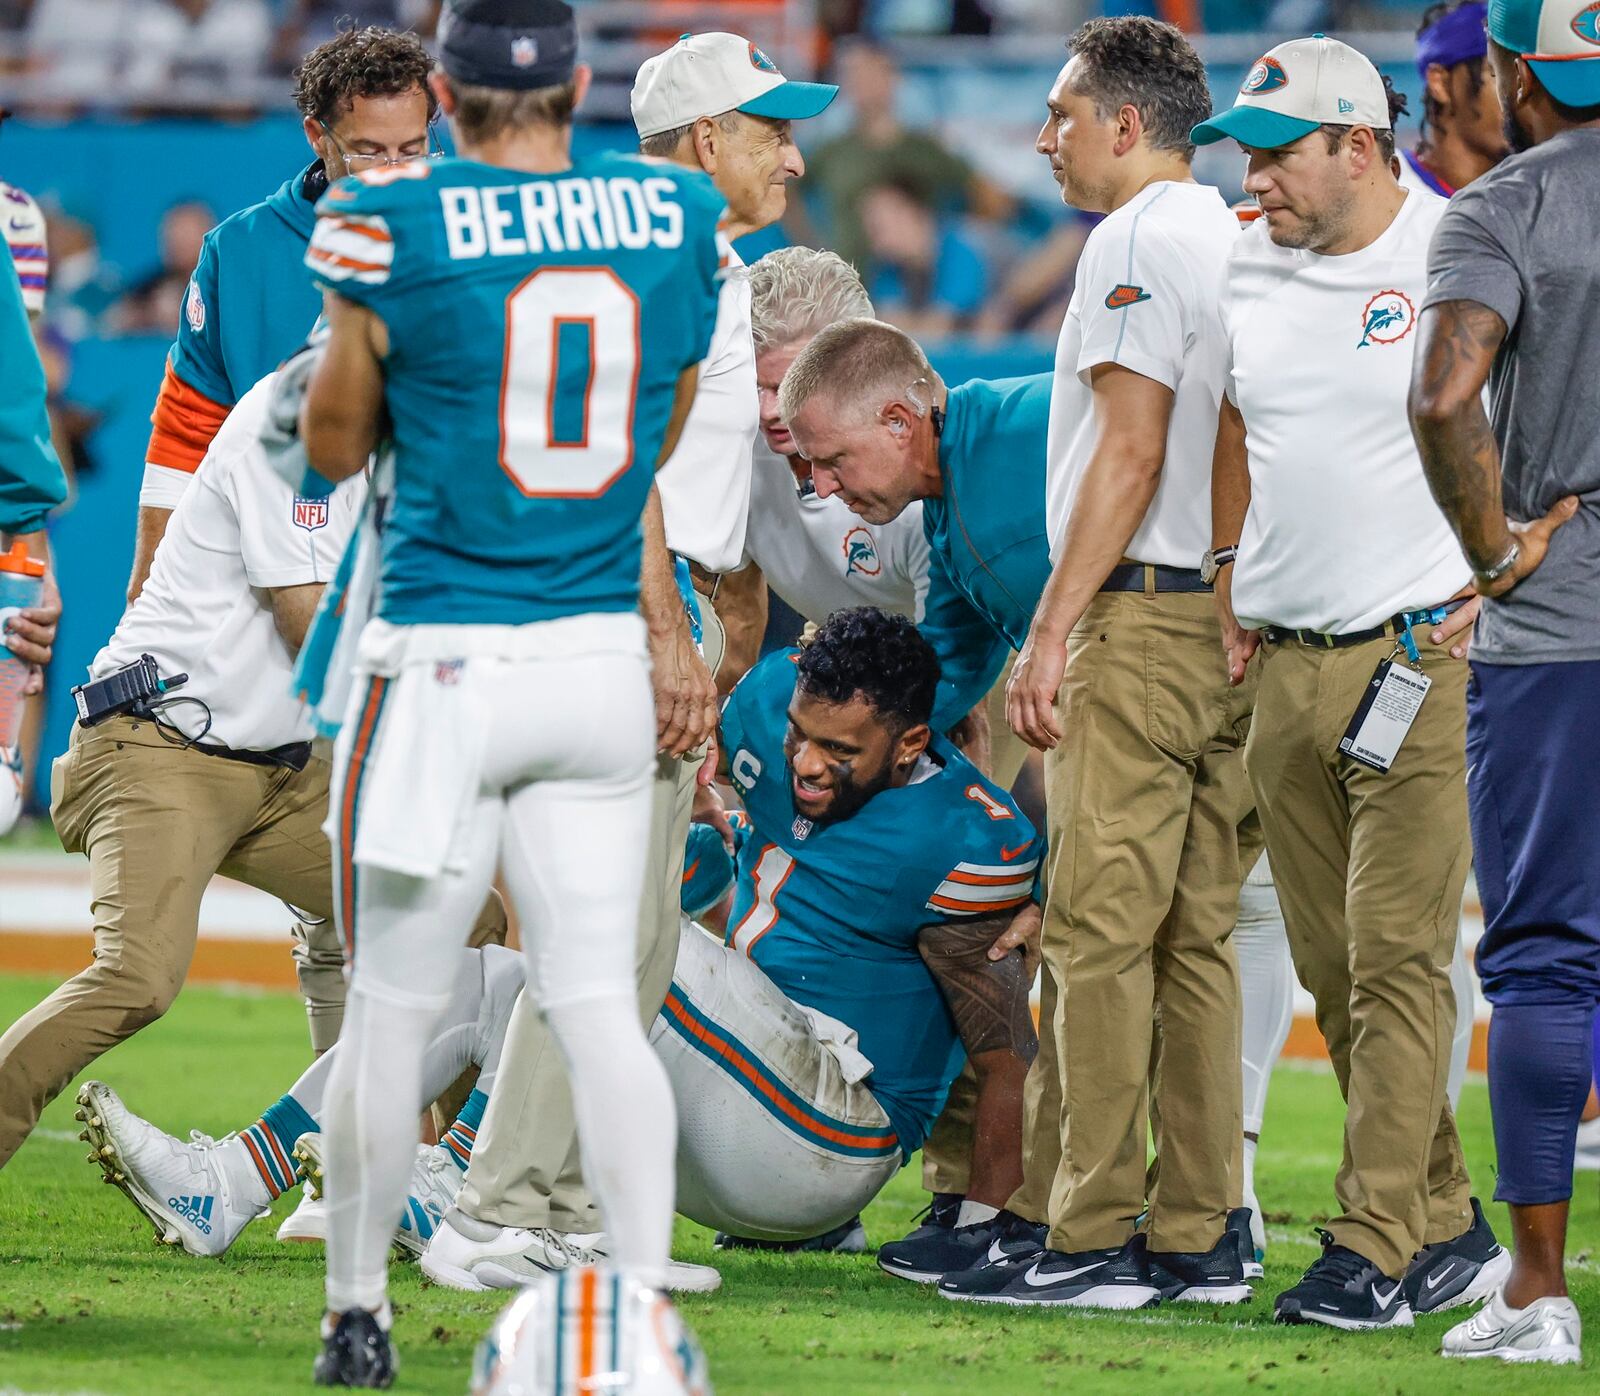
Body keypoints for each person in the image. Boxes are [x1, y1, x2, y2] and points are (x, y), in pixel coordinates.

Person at [81, 610, 1044, 1264]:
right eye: (801, 734)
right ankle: (228, 1182)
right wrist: (706, 847)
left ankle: (460, 1171)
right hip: (717, 1097)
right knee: (481, 977)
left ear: (912, 745)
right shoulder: (768, 707)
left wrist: (985, 1225)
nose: (806, 763)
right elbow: (733, 863)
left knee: (620, 945)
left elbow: (1005, 1052)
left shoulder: (965, 833)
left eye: (841, 752)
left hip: (823, 1145)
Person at [296, 0, 727, 1379]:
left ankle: (356, 1313)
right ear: (584, 82)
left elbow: (333, 439)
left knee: (393, 1014)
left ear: (442, 86)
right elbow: (655, 421)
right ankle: (640, 1314)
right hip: (596, 651)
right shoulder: (669, 216)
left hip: (443, 657)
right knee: (597, 1001)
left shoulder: (386, 223)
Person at [418, 29, 838, 1298]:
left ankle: (553, 1200)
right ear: (705, 141)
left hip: (629, 601)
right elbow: (622, 463)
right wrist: (667, 630)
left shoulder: (638, 244)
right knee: (603, 936)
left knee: (635, 930)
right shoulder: (667, 255)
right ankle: (498, 1208)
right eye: (768, 129)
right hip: (631, 603)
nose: (793, 152)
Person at [0, 358, 506, 1178]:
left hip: (279, 767)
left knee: (463, 923)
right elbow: (307, 622)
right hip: (156, 742)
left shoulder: (404, 436)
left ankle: (466, 1189)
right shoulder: (299, 416)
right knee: (138, 977)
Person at [1194, 33, 1509, 1333]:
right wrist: (1225, 564)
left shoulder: (1462, 247)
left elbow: (1551, 412)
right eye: (1247, 153)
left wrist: (1509, 562)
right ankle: (1450, 1225)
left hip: (1419, 658)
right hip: (1286, 664)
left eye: (1279, 155)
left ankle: (1373, 1246)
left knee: (1396, 961)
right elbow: (1229, 415)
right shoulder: (1240, 256)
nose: (1254, 178)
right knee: (1337, 971)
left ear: (1364, 147)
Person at [986, 16, 1248, 1310]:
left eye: (1061, 114)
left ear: (1124, 124)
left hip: (1141, 616)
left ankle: (1087, 1237)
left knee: (1095, 934)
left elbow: (1129, 452)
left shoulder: (1136, 238)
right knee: (1197, 938)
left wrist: (1050, 629)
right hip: (1226, 617)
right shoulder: (1236, 233)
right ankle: (1201, 1232)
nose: (1046, 138)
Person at [1409, 0, 1600, 1365]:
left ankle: (1537, 1284)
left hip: (1565, 626)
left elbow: (1439, 398)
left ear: (1513, 70)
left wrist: (1496, 547)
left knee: (1542, 955)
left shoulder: (1505, 208)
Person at [130, 24, 436, 604]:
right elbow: (187, 431)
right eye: (370, 152)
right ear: (318, 136)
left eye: (413, 150)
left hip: (426, 554)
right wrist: (149, 595)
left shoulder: (463, 230)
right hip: (279, 567)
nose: (397, 174)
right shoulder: (240, 250)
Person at [733, 247, 928, 674]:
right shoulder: (729, 446)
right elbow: (730, 603)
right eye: (756, 386)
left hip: (979, 638)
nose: (769, 411)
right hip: (840, 638)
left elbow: (963, 642)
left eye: (788, 387)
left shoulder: (928, 471)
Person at [796, 39, 1012, 269]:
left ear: (892, 77)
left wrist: (951, 241)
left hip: (913, 287)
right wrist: (810, 245)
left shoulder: (924, 149)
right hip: (846, 283)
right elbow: (788, 192)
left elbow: (991, 198)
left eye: (869, 73)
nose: (860, 83)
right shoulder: (832, 151)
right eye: (852, 75)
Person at [1401, 1, 1508, 197]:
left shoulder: (1538, 193)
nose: (1519, 92)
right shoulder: (1384, 189)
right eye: (1497, 73)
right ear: (1440, 83)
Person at [858, 178, 989, 338]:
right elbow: (886, 329)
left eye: (877, 228)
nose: (875, 244)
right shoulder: (887, 268)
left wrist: (911, 324)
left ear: (909, 213)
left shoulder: (963, 248)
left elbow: (940, 328)